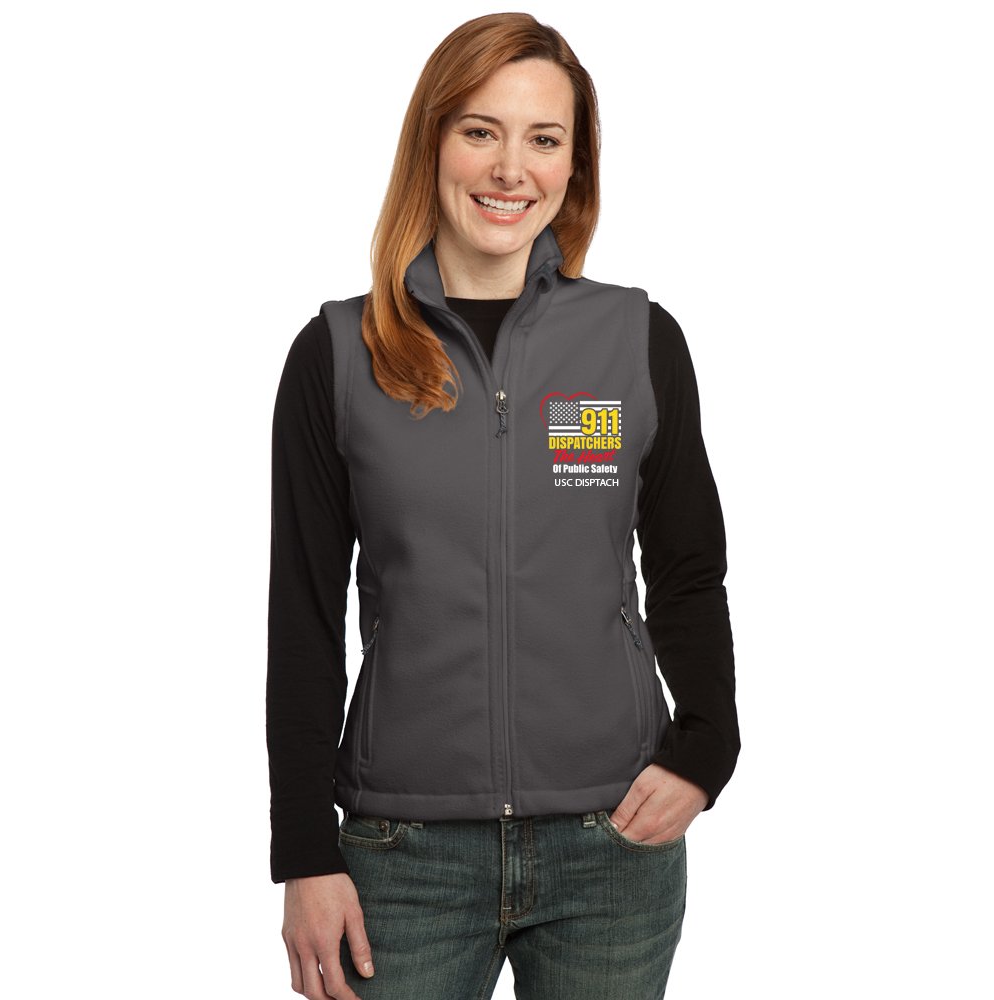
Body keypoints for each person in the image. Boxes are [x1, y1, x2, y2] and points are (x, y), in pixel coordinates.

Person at [266, 12, 739, 1000]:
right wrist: (303, 849)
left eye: (544, 138)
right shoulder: (339, 355)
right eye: (480, 130)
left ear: (574, 164)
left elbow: (688, 569)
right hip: (403, 852)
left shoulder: (635, 340)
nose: (510, 168)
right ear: (431, 142)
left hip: (611, 844)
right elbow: (302, 614)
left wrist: (706, 749)